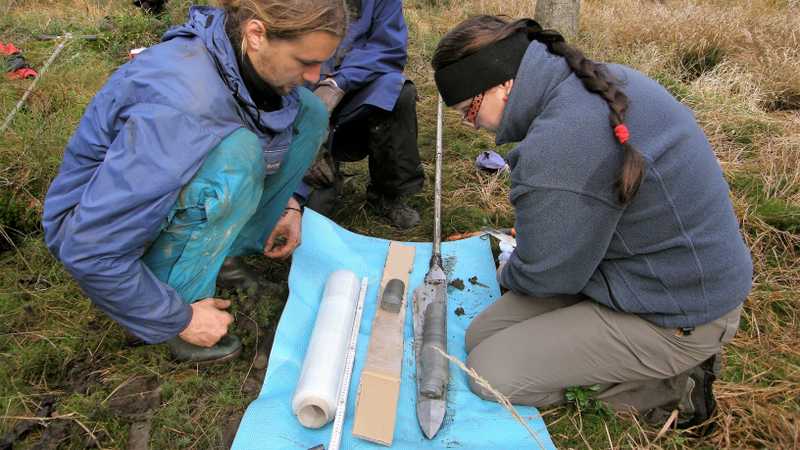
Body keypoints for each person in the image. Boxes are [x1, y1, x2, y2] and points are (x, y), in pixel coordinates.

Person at [432, 16, 752, 430]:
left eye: (467, 110)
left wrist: (510, 271)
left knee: (490, 372)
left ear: (501, 83)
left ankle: (674, 387)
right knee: (479, 335)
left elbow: (547, 274)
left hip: (680, 313)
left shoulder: (558, 145)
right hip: (635, 274)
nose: (469, 124)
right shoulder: (592, 82)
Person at [42, 0, 347, 364]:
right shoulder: (181, 107)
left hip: (160, 189)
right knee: (237, 154)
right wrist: (180, 319)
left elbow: (271, 132)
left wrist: (288, 204)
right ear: (256, 34)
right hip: (96, 231)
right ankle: (177, 299)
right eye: (304, 62)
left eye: (320, 63)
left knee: (308, 112)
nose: (316, 76)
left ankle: (225, 255)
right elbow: (89, 248)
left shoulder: (238, 57)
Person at [301, 0, 424, 229]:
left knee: (397, 92)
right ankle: (318, 177)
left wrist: (337, 83)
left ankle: (387, 195)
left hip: (356, 93)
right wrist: (306, 129)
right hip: (299, 99)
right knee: (309, 215)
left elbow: (388, 49)